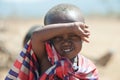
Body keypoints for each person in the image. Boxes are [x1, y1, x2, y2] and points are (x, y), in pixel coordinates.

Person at [5, 3, 98, 80]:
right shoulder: (45, 58)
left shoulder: (88, 68)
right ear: (49, 39)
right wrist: (72, 27)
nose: (66, 42)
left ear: (83, 35)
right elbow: (36, 36)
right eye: (58, 37)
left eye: (73, 35)